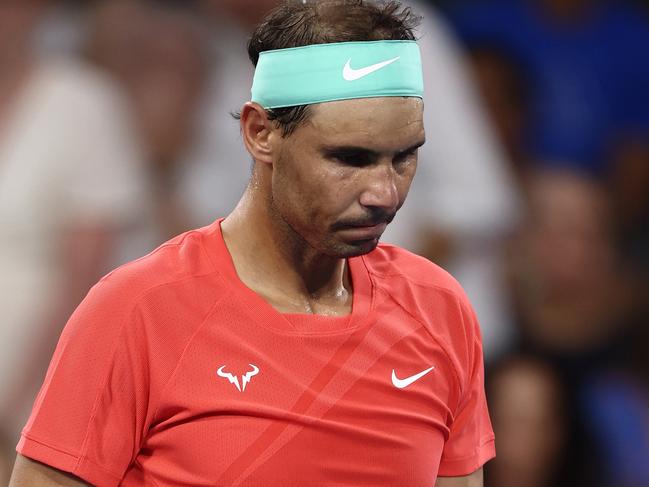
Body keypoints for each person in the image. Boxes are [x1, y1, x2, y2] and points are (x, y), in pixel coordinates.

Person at [9, 1, 495, 486]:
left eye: (404, 158)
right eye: (349, 158)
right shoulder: (137, 310)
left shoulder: (440, 310)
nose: (384, 194)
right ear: (260, 133)